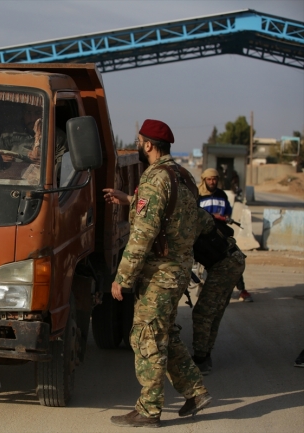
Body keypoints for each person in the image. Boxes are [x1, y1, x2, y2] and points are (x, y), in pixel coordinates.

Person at [107, 119, 211, 428]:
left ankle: (149, 410)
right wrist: (128, 200)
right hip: (178, 270)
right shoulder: (183, 176)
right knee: (164, 334)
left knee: (145, 337)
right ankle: (195, 391)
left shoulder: (154, 178)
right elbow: (189, 220)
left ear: (149, 145)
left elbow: (143, 233)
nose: (138, 145)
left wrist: (122, 278)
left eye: (139, 141)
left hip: (160, 274)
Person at [191, 207, 246, 375]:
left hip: (225, 264)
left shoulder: (191, 215)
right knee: (214, 311)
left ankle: (201, 359)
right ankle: (205, 355)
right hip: (231, 261)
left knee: (203, 312)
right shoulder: (191, 212)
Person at [198, 168, 253, 302]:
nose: (212, 182)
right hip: (202, 235)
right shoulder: (197, 195)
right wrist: (211, 216)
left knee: (234, 257)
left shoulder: (221, 194)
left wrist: (225, 216)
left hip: (221, 234)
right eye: (209, 179)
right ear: (204, 180)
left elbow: (227, 210)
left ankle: (241, 290)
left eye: (214, 179)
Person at [0, 105, 67, 165]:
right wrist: (2, 159)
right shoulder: (10, 133)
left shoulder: (57, 137)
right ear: (23, 114)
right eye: (28, 113)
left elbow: (64, 168)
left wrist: (46, 162)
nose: (32, 118)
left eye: (38, 113)